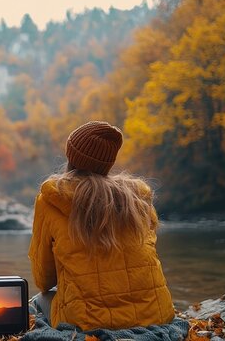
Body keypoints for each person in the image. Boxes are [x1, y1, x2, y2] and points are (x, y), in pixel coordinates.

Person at [28, 121, 174, 330]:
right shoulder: (137, 200)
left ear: (71, 155)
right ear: (108, 163)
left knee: (39, 300)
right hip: (156, 314)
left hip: (87, 323)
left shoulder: (52, 200)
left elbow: (44, 279)